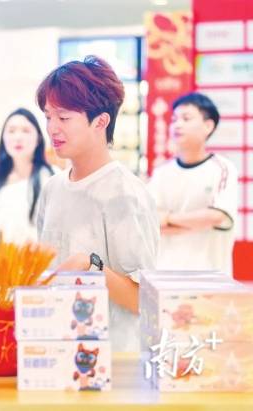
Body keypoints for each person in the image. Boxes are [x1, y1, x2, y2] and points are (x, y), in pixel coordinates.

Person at [35, 56, 159, 352]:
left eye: (64, 118)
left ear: (101, 121)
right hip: (57, 349)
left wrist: (90, 266)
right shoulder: (52, 188)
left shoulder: (125, 193)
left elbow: (144, 300)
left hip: (114, 357)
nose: (52, 128)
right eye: (48, 116)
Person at [148, 92, 237, 275]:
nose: (177, 124)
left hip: (210, 279)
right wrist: (195, 223)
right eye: (174, 119)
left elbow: (215, 216)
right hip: (165, 275)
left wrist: (168, 219)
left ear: (208, 126)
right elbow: (150, 221)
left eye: (186, 118)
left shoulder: (223, 169)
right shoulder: (161, 172)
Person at [0, 108, 53, 243]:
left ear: (39, 138)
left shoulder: (50, 178)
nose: (18, 137)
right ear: (3, 138)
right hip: (0, 255)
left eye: (26, 131)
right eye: (11, 131)